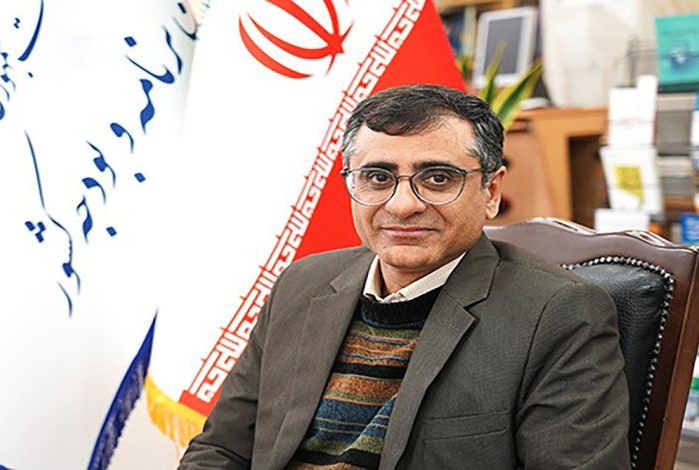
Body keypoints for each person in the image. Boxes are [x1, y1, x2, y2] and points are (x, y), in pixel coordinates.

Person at [179, 84, 629, 469]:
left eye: (438, 178)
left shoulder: (559, 314)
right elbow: (222, 449)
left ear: (490, 191)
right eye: (378, 177)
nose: (402, 205)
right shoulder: (302, 284)